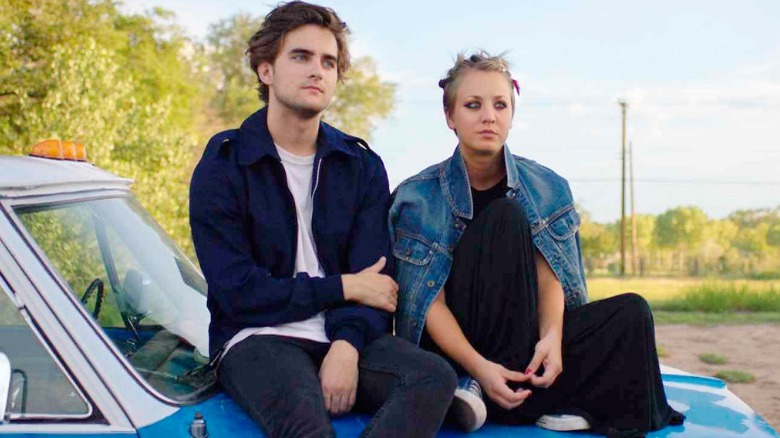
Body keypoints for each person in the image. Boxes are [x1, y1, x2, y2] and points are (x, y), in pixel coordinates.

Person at [189, 3, 456, 437]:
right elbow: (238, 292)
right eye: (301, 56)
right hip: (256, 337)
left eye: (328, 62)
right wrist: (344, 286)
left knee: (432, 377)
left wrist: (347, 346)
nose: (317, 70)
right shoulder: (226, 164)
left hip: (339, 331)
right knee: (304, 421)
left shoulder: (359, 165)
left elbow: (379, 285)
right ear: (266, 70)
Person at [389, 51, 685, 436]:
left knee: (631, 312)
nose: (488, 116)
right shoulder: (417, 196)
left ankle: (533, 397)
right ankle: (483, 387)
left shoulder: (547, 187)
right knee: (505, 217)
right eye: (473, 105)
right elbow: (429, 303)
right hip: (460, 352)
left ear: (512, 114)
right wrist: (479, 366)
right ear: (450, 117)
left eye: (500, 105)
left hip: (523, 340)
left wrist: (552, 337)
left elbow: (550, 277)